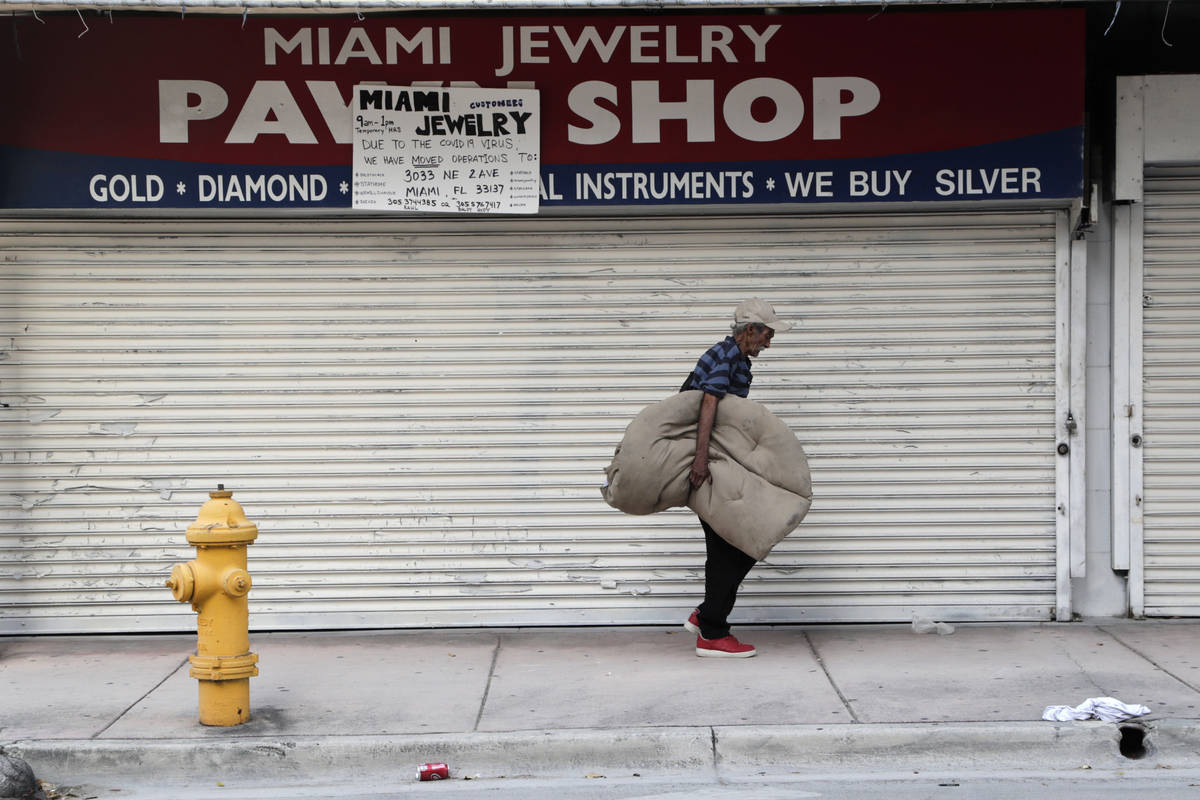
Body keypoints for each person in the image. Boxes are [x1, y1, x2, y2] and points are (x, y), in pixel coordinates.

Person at [679, 298, 793, 658]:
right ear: (749, 330)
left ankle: (707, 617)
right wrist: (700, 461)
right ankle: (712, 631)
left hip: (719, 461)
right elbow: (708, 404)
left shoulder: (733, 356)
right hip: (710, 464)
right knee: (731, 544)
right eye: (767, 335)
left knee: (736, 543)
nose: (769, 343)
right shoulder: (728, 356)